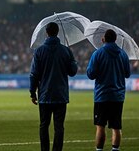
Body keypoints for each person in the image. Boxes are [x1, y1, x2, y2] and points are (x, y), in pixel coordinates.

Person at [29, 22, 78, 151]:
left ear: (46, 33)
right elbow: (72, 72)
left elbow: (34, 74)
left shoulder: (39, 51)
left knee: (44, 126)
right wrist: (72, 59)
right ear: (58, 33)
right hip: (60, 95)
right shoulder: (66, 50)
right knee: (59, 127)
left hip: (45, 95)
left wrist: (32, 92)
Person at [86, 29, 131, 151]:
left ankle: (99, 149)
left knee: (100, 126)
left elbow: (91, 74)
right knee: (116, 127)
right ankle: (115, 149)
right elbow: (127, 74)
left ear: (103, 39)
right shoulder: (123, 54)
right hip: (117, 96)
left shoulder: (98, 54)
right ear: (115, 39)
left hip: (102, 95)